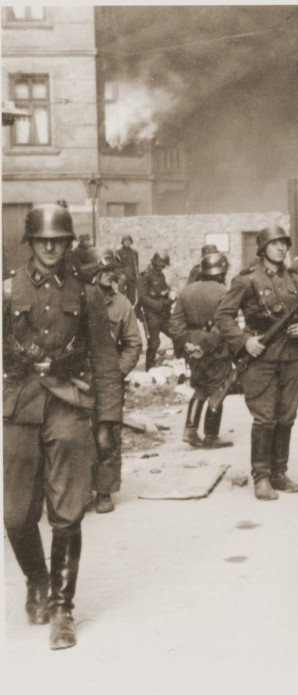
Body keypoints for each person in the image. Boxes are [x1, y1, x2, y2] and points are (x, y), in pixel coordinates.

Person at [3, 204, 123, 649]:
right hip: (19, 406)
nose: (51, 247)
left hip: (69, 405)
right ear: (31, 243)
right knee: (15, 516)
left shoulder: (87, 293)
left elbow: (106, 361)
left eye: (59, 240)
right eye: (43, 240)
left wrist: (108, 419)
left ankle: (61, 609)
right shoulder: (6, 291)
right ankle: (36, 579)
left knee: (67, 512)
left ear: (69, 243)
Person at [214, 225, 298, 500]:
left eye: (285, 243)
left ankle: (278, 473)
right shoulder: (246, 280)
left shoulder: (295, 279)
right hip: (261, 357)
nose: (282, 248)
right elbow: (223, 317)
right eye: (275, 244)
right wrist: (244, 341)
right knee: (265, 418)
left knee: (286, 417)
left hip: (293, 356)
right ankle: (261, 476)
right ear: (263, 248)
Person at [84, 250, 142, 514]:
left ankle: (104, 491)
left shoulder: (122, 304)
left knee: (106, 436)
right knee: (76, 435)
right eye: (105, 270)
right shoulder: (80, 297)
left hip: (109, 379)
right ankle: (78, 490)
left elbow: (133, 343)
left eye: (113, 271)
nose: (110, 275)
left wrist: (118, 371)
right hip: (79, 376)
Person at [169, 252, 234, 449]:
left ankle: (190, 430)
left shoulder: (186, 292)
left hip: (191, 347)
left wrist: (187, 344)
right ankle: (211, 436)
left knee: (200, 387)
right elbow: (224, 325)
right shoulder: (224, 292)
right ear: (221, 272)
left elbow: (175, 324)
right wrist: (205, 345)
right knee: (218, 388)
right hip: (216, 348)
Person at [138, 251, 174, 371]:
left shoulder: (160, 275)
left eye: (164, 265)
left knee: (176, 333)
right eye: (161, 265)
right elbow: (142, 298)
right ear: (155, 262)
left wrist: (169, 297)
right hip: (151, 313)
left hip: (164, 312)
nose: (162, 267)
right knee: (154, 342)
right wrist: (159, 305)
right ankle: (149, 367)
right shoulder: (144, 276)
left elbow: (163, 290)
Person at [114, 234, 139, 306]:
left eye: (129, 241)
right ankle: (121, 304)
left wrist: (136, 275)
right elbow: (116, 266)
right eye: (126, 241)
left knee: (132, 298)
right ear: (123, 242)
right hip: (122, 275)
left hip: (131, 275)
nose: (128, 242)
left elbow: (136, 265)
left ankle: (130, 307)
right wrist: (122, 273)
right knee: (121, 286)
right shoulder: (118, 252)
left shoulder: (134, 252)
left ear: (131, 242)